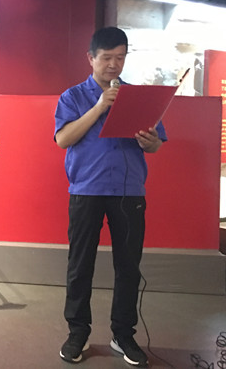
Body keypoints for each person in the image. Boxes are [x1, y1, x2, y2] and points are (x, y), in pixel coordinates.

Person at [54, 27, 166, 367]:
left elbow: (155, 145)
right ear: (91, 58)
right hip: (86, 190)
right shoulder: (73, 96)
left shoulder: (138, 97)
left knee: (128, 267)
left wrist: (150, 142)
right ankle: (77, 333)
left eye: (120, 57)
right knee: (80, 266)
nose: (114, 65)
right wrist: (100, 107)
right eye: (106, 58)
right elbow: (63, 139)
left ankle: (123, 335)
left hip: (128, 192)